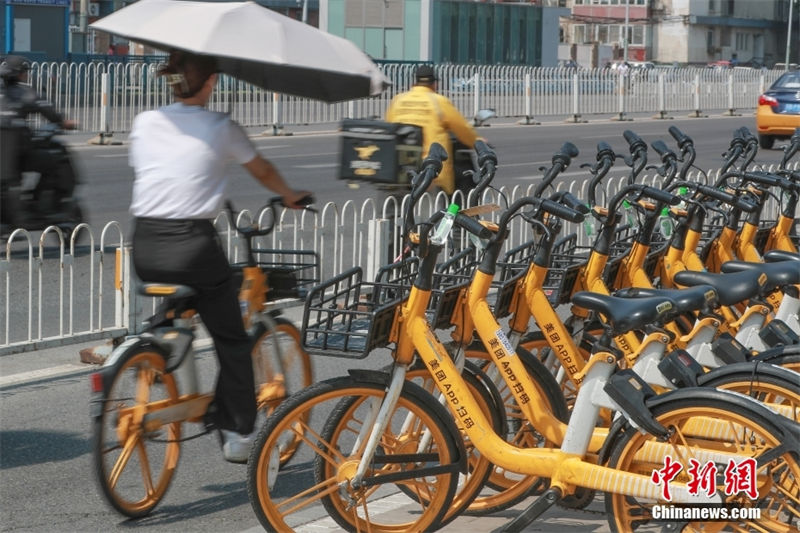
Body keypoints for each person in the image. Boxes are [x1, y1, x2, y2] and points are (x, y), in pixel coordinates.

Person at [128, 50, 311, 463]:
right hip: (192, 243)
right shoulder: (220, 126)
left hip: (144, 243)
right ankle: (238, 433)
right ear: (210, 82)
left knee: (193, 290)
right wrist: (289, 195)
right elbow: (261, 169)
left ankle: (165, 336)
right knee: (231, 336)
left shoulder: (144, 122)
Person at [1, 55, 77, 230]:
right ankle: (38, 208)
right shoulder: (24, 93)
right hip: (18, 152)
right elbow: (47, 109)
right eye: (25, 72)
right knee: (53, 160)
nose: (27, 75)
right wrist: (65, 122)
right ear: (20, 74)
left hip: (8, 159)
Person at [385, 64, 479, 197]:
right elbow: (461, 128)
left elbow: (389, 125)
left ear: (414, 83)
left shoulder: (398, 100)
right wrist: (478, 142)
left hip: (401, 166)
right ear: (434, 84)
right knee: (440, 205)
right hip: (431, 169)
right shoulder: (438, 101)